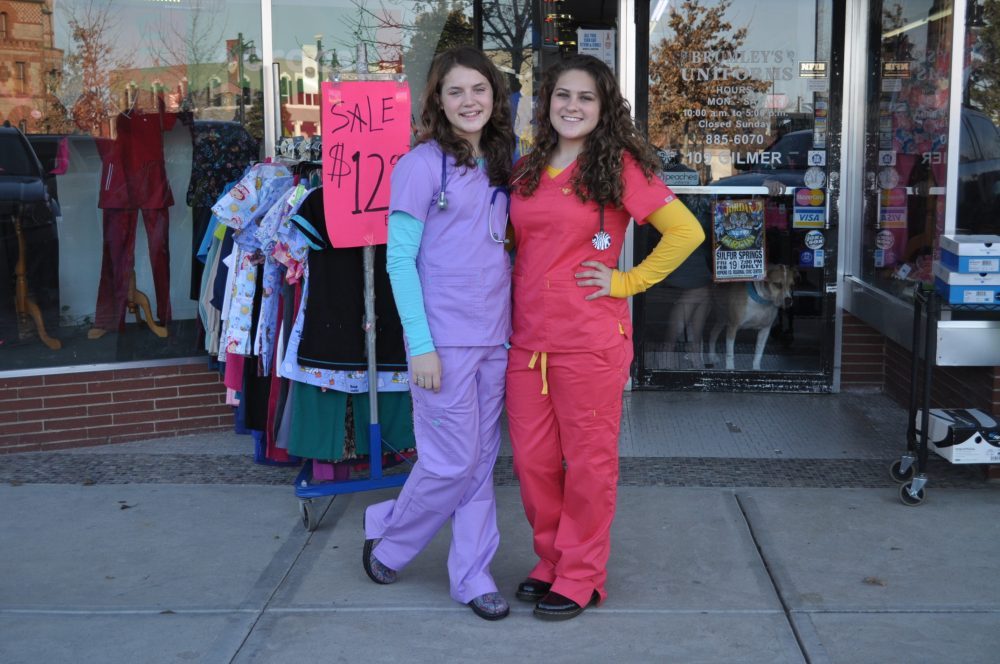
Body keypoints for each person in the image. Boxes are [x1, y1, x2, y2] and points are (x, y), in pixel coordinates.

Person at [506, 54, 705, 621]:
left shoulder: (616, 167)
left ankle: (581, 573)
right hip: (527, 344)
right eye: (562, 95)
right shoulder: (526, 169)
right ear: (546, 102)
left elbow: (684, 231)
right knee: (534, 463)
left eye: (585, 98)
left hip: (590, 341)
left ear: (603, 107)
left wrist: (628, 280)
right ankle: (549, 561)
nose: (572, 106)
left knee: (589, 465)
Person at [361, 46, 515, 621]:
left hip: (495, 337)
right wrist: (420, 345)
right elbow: (400, 262)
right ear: (438, 101)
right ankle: (391, 535)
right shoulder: (421, 166)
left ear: (495, 96)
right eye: (456, 91)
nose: (469, 100)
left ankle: (472, 575)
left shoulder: (503, 163)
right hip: (443, 343)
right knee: (450, 462)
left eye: (479, 89)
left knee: (477, 463)